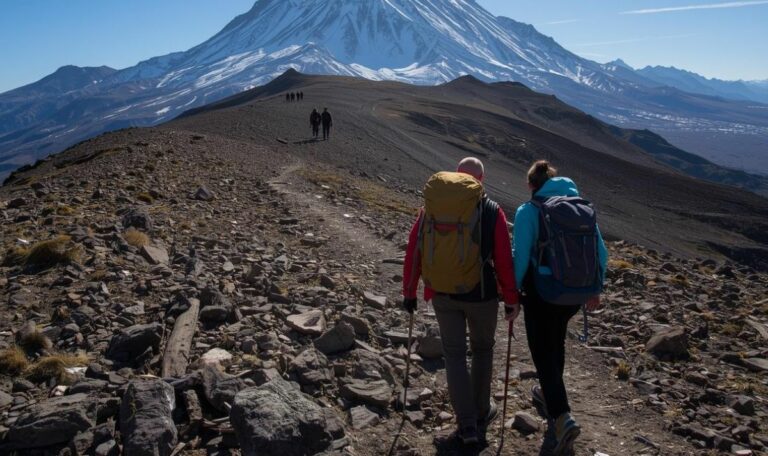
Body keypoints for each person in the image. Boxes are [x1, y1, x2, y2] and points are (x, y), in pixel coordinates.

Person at [403, 157, 519, 445]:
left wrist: (409, 293)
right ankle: (481, 412)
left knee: (454, 355)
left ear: (456, 175)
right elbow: (504, 260)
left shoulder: (432, 207)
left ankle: (466, 424)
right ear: (482, 179)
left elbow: (414, 250)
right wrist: (511, 299)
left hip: (442, 293)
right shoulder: (491, 210)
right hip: (481, 295)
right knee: (482, 349)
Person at [513, 160, 608, 456]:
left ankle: (562, 417)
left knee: (542, 352)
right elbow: (601, 252)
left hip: (542, 292)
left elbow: (520, 257)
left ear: (531, 185)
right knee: (556, 343)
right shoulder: (580, 208)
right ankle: (547, 392)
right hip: (575, 294)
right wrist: (596, 288)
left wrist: (512, 291)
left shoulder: (529, 211)